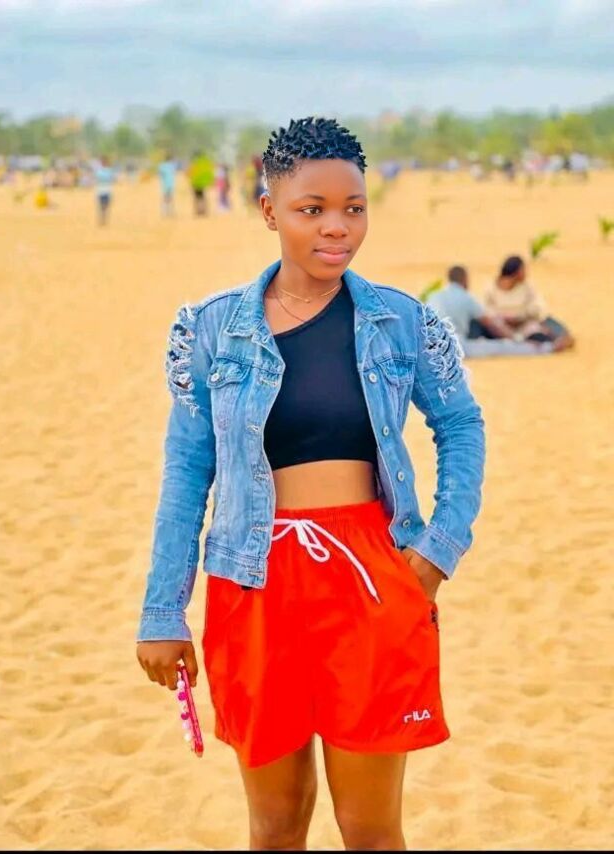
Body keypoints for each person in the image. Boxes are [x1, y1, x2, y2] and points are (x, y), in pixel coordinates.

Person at [136, 117, 486, 851]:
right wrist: (163, 611)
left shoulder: (401, 320)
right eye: (312, 209)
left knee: (370, 828)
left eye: (353, 208)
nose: (337, 227)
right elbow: (187, 472)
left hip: (371, 576)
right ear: (270, 211)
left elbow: (460, 424)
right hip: (252, 579)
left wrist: (438, 548)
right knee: (275, 826)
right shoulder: (211, 330)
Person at [428, 265, 572, 357]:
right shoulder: (466, 298)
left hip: (429, 347)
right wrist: (516, 339)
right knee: (501, 347)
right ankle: (550, 348)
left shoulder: (433, 296)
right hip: (455, 346)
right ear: (465, 280)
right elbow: (492, 325)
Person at [483, 256, 575, 347]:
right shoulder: (491, 288)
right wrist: (504, 318)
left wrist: (521, 316)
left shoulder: (527, 287)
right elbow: (485, 310)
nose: (526, 273)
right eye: (523, 270)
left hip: (525, 323)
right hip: (501, 326)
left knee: (543, 325)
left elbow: (537, 307)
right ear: (516, 272)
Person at [188, 151, 215, 217]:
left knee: (197, 197)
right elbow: (210, 172)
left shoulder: (195, 162)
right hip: (203, 182)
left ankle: (198, 211)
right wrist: (210, 181)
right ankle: (204, 210)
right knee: (203, 197)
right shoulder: (206, 162)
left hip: (196, 182)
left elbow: (190, 172)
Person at [94, 156, 115, 226]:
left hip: (105, 190)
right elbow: (111, 179)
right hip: (103, 190)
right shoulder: (104, 171)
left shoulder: (103, 171)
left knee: (104, 206)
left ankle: (103, 219)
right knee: (103, 206)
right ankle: (103, 219)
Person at [158, 152, 177, 217]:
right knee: (170, 198)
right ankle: (170, 212)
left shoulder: (162, 166)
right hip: (171, 184)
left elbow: (160, 174)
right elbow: (173, 173)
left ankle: (164, 212)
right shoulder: (172, 166)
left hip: (164, 184)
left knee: (165, 198)